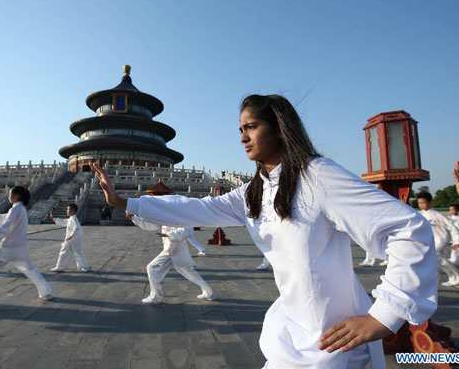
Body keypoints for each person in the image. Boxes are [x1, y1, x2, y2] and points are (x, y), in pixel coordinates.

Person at [92, 94, 437, 369]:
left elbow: (409, 228)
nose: (242, 137)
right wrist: (127, 203)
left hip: (334, 337)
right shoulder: (255, 190)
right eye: (240, 129)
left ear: (279, 128)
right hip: (289, 328)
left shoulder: (318, 176)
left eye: (250, 127)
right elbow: (199, 208)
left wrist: (385, 316)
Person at [0, 186, 52, 307]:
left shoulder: (16, 209)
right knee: (30, 270)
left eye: (10, 194)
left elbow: (6, 224)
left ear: (17, 196)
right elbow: (4, 218)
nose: (9, 197)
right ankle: (46, 293)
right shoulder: (20, 209)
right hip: (21, 248)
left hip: (9, 248)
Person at [129, 214, 214, 304]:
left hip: (178, 251)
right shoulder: (165, 215)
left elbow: (187, 232)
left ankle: (208, 292)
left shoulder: (182, 215)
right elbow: (151, 225)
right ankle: (155, 296)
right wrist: (134, 218)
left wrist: (168, 234)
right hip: (168, 251)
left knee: (190, 273)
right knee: (152, 268)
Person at [416, 192, 459, 288]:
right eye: (419, 203)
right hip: (429, 240)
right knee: (441, 261)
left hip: (440, 239)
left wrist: (457, 241)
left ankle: (433, 285)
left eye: (423, 202)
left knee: (434, 261)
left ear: (431, 202)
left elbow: (452, 226)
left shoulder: (436, 214)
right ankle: (455, 279)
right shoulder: (419, 214)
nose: (421, 205)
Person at [50, 203, 91, 272]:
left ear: (73, 211)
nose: (67, 211)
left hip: (73, 239)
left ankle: (61, 267)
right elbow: (64, 221)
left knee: (70, 252)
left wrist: (71, 235)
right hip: (72, 240)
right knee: (75, 252)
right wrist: (54, 219)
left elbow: (77, 227)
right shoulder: (71, 218)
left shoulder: (74, 219)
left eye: (68, 209)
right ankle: (83, 266)